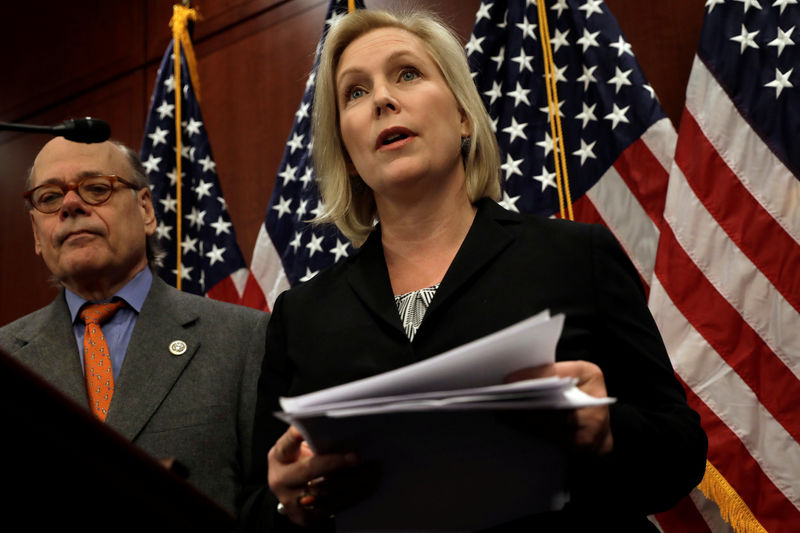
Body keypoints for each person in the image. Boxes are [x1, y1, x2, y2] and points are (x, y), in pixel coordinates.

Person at [241, 9, 707, 532]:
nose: (382, 99)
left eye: (407, 74)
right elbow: (258, 506)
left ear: (463, 116)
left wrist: (608, 430)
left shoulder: (577, 256)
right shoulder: (302, 315)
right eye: (354, 92)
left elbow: (680, 454)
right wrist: (289, 504)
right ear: (347, 154)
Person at [0, 137, 268, 519]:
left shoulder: (242, 338)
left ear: (145, 210)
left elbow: (274, 505)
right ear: (36, 233)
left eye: (96, 189)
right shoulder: (7, 357)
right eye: (49, 198)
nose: (71, 205)